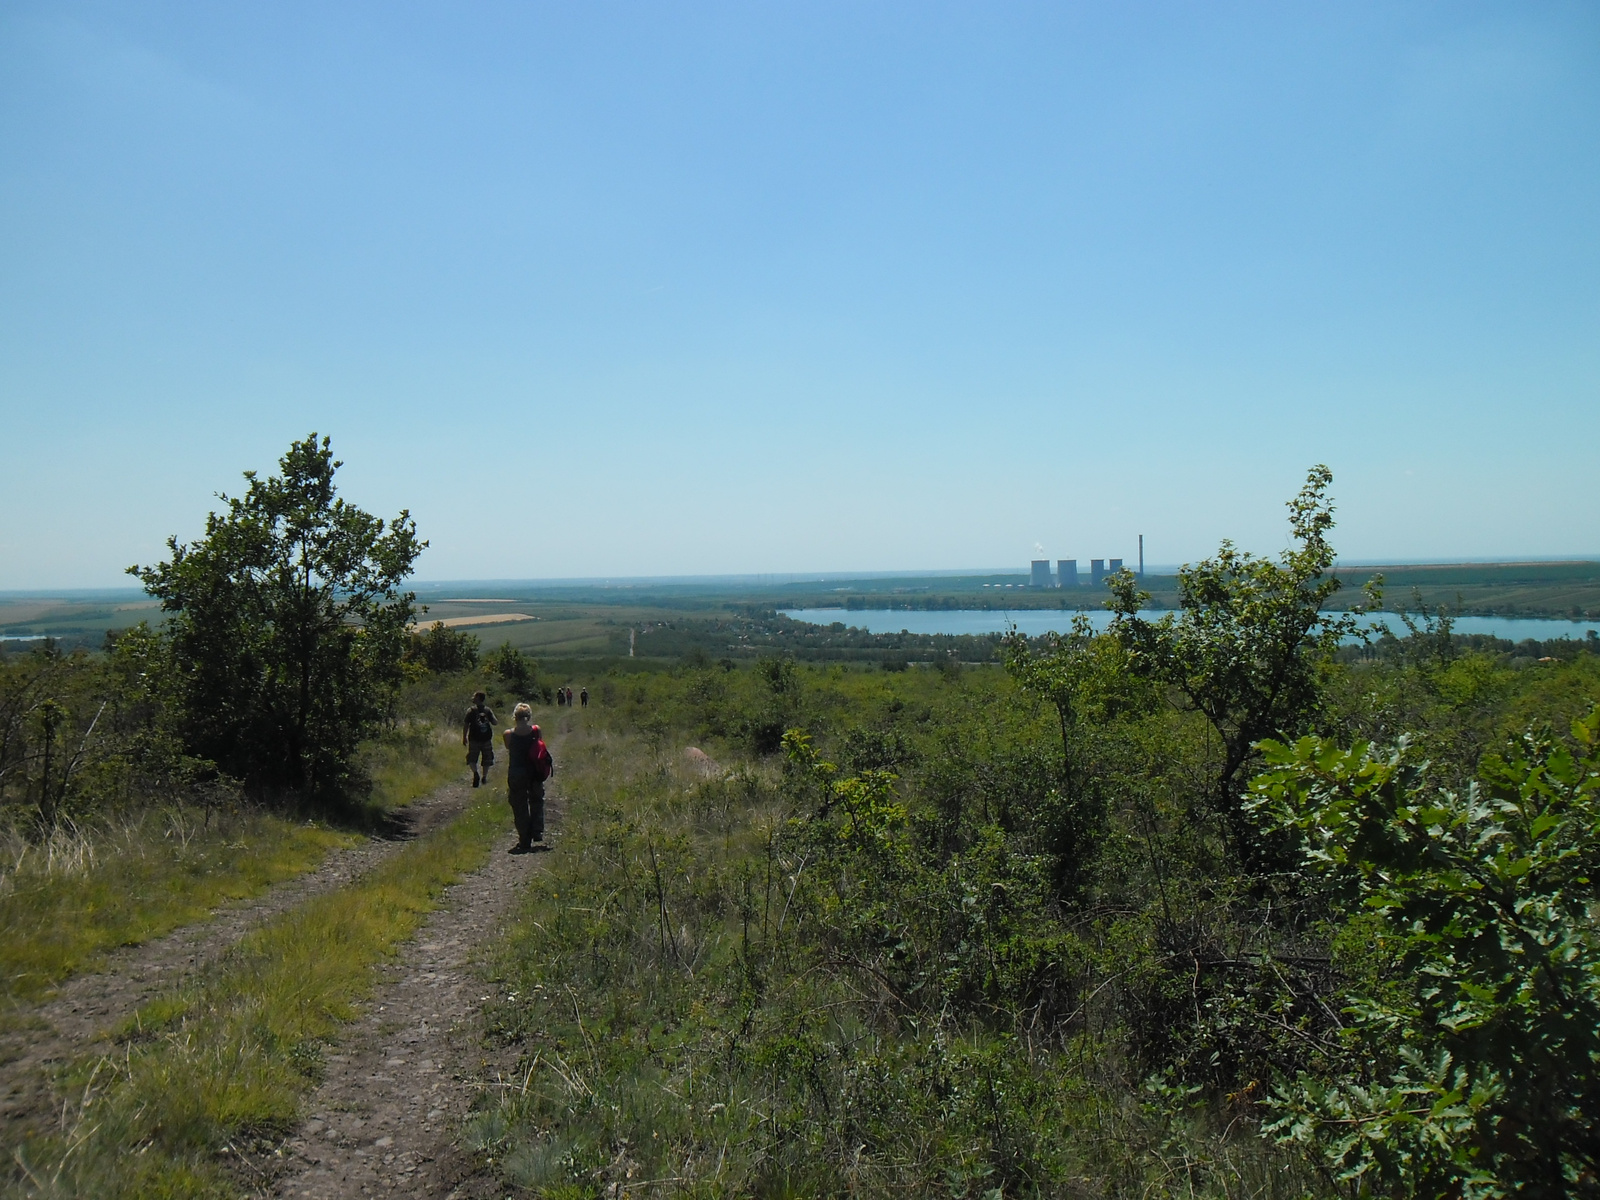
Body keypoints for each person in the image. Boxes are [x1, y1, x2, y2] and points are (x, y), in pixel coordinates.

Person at [502, 704, 553, 853]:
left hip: (516, 772)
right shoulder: (536, 730)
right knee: (536, 800)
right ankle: (537, 831)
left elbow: (508, 748)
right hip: (534, 772)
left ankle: (524, 839)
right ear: (529, 716)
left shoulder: (508, 734)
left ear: (514, 717)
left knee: (519, 805)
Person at [462, 690, 497, 788]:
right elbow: (495, 722)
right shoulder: (488, 710)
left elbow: (466, 724)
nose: (472, 698)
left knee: (472, 758)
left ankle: (475, 773)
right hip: (486, 739)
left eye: (474, 696)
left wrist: (464, 736)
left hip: (474, 739)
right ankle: (484, 777)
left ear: (478, 698)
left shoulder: (470, 711)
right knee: (487, 759)